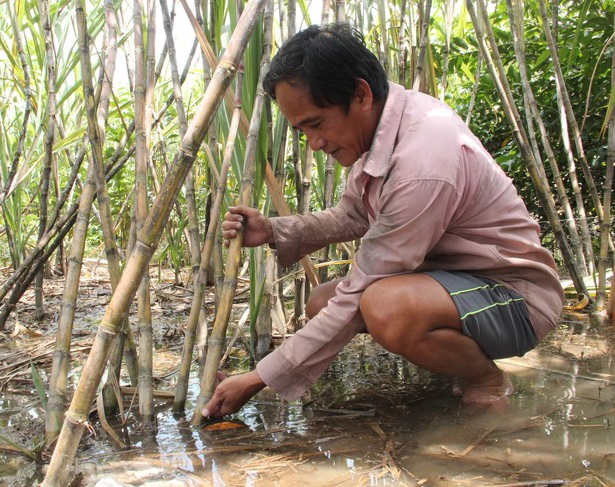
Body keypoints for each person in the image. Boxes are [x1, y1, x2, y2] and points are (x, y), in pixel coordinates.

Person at [201, 23, 564, 418]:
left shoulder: (422, 157)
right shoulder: (388, 129)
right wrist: (274, 230)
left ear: (360, 93)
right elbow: (353, 214)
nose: (315, 144)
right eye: (302, 130)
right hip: (459, 286)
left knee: (385, 306)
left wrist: (258, 378)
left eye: (317, 123)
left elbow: (362, 291)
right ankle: (451, 363)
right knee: (323, 302)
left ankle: (486, 381)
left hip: (514, 299)